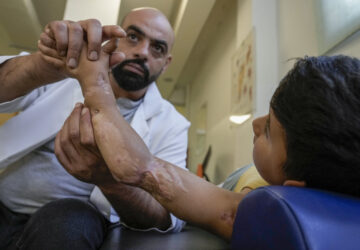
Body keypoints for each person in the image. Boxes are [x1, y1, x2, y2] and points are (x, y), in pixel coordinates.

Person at [61, 46, 360, 242]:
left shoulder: (260, 207)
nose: (256, 124)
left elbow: (141, 167)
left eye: (268, 129)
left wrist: (96, 84)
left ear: (293, 190)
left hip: (229, 184)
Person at [0, 8, 190, 249]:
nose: (142, 52)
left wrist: (109, 180)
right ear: (114, 39)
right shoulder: (66, 74)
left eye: (157, 48)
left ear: (166, 63)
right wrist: (40, 66)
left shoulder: (172, 125)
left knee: (70, 225)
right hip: (3, 202)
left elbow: (168, 214)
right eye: (133, 37)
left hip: (65, 220)